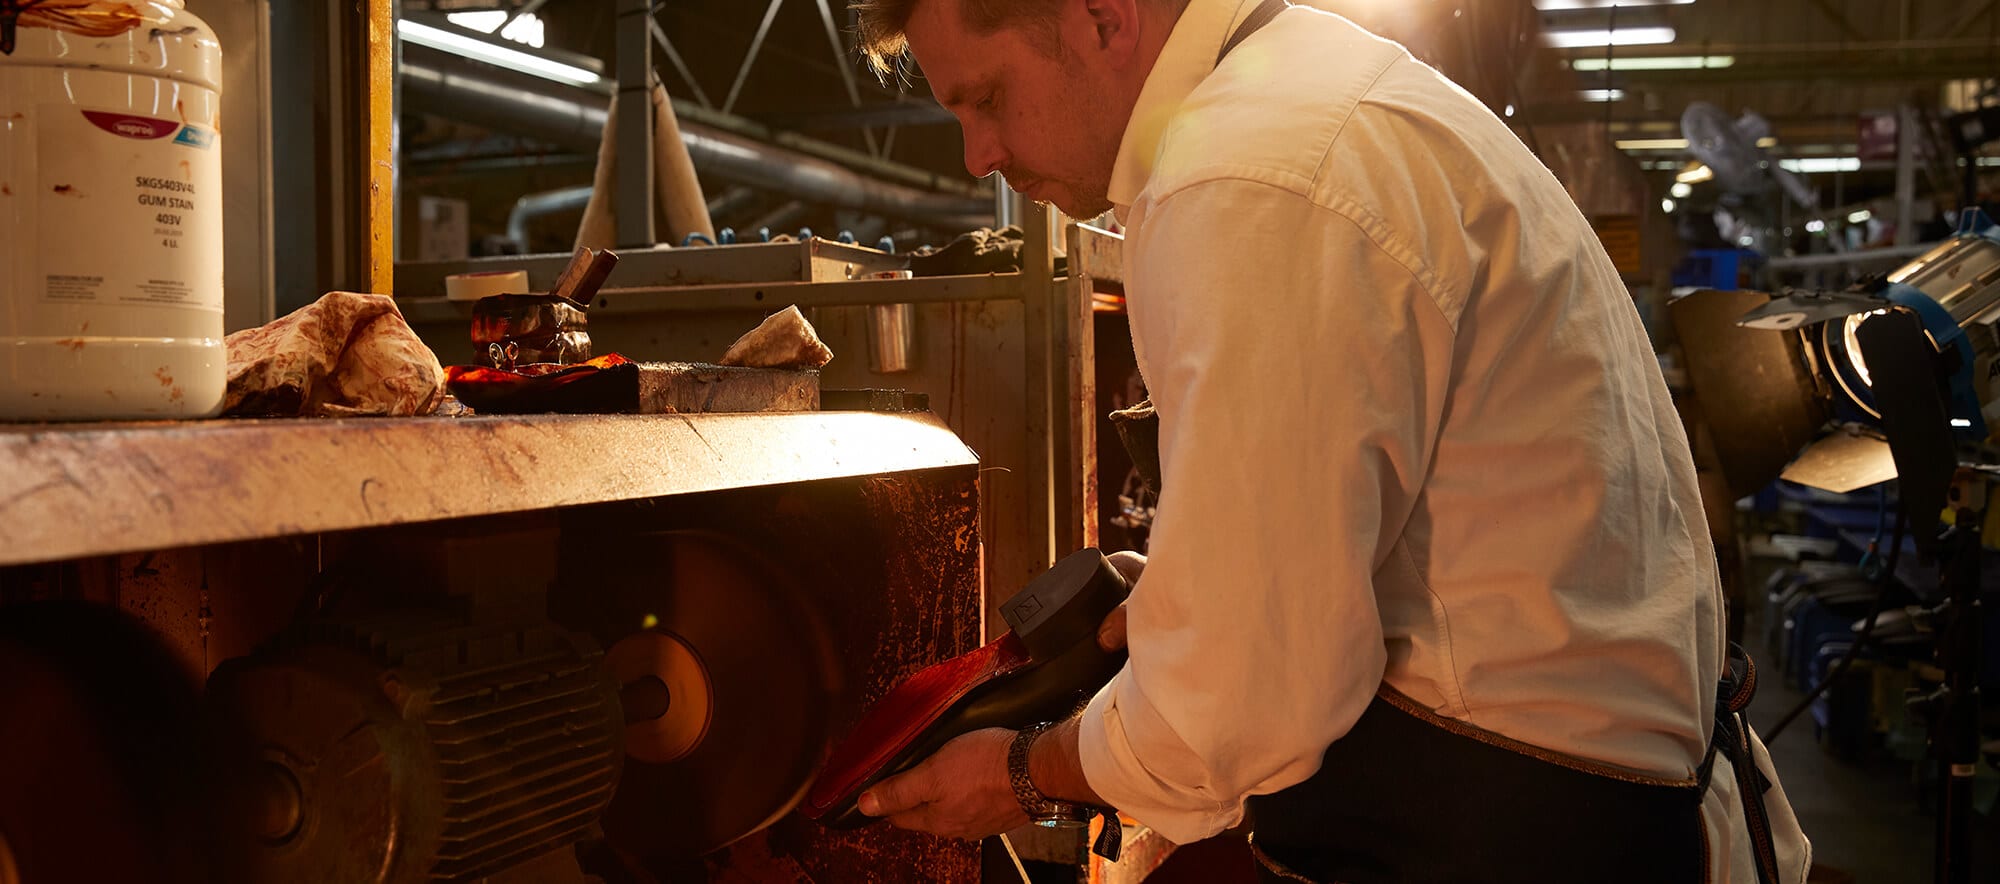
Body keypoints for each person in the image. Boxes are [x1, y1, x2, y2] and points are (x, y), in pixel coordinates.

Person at [847, 0, 1811, 880]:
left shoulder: (1244, 176)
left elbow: (1235, 711)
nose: (976, 155)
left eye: (985, 97)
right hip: (1610, 809)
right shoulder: (1324, 98)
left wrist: (1023, 771)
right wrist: (1204, 584)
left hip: (1500, 836)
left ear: (1102, 16)